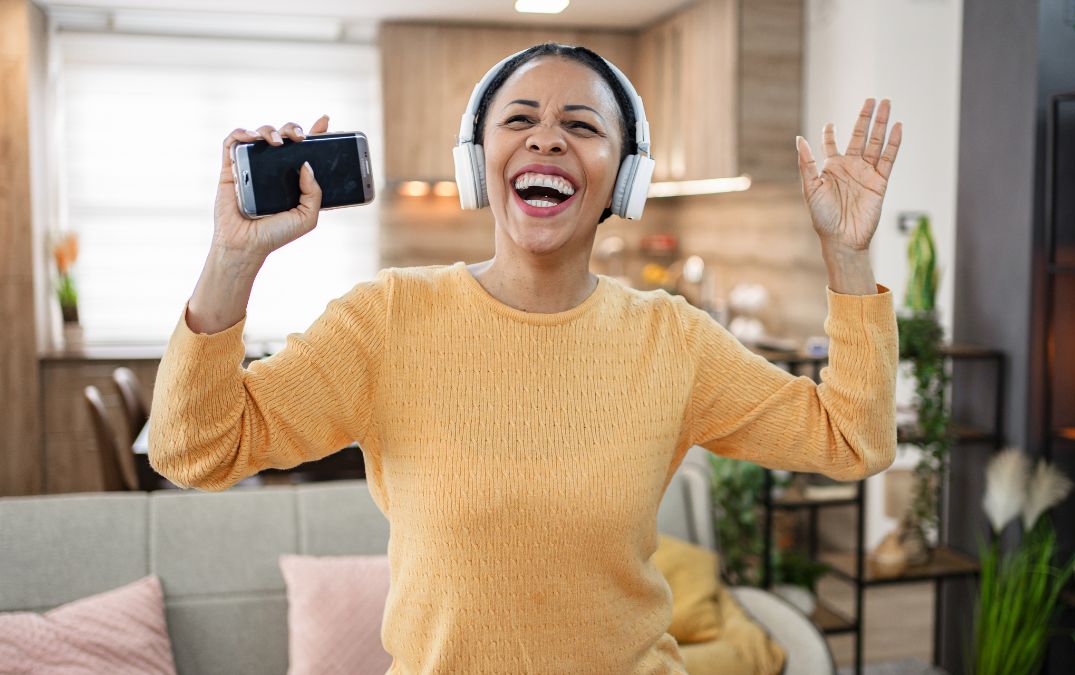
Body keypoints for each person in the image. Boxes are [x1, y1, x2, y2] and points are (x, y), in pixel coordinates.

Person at [148, 42, 902, 675]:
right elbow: (196, 449)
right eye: (519, 120)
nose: (546, 139)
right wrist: (232, 258)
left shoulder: (673, 339)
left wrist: (847, 255)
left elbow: (853, 438)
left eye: (580, 123)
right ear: (480, 161)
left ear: (624, 177)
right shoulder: (387, 319)